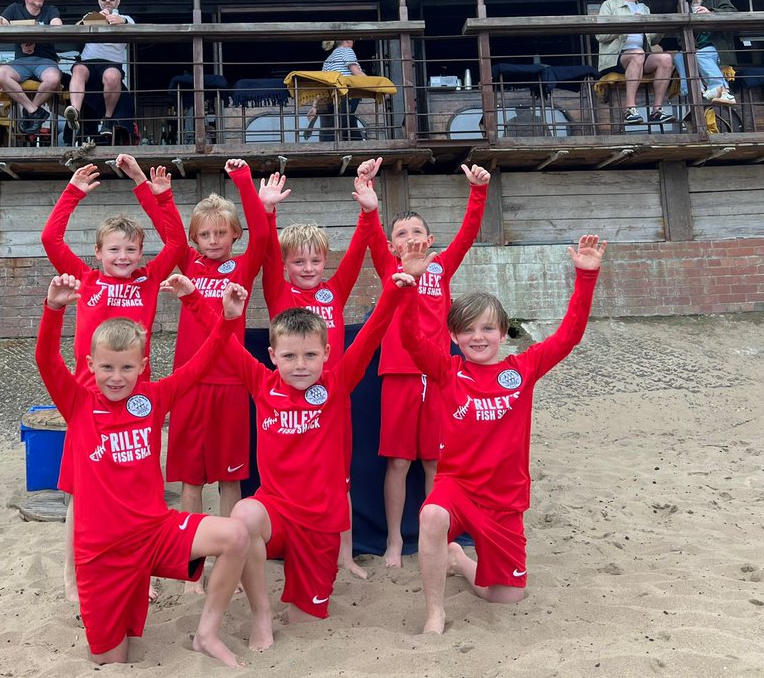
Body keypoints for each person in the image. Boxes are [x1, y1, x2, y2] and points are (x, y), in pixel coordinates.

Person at [182, 261, 416, 650]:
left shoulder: (337, 384)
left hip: (321, 526)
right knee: (244, 514)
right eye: (290, 357)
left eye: (310, 355)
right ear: (273, 355)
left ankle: (297, 603)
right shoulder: (261, 383)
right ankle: (260, 615)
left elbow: (372, 334)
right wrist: (194, 298)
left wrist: (392, 292)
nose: (300, 365)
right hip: (277, 514)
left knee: (305, 620)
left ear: (326, 353)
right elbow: (221, 340)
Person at [35, 272, 249, 667]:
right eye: (107, 368)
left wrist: (229, 318)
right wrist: (53, 310)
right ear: (90, 364)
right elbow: (46, 360)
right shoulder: (78, 403)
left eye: (127, 368)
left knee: (236, 533)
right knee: (111, 659)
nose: (117, 378)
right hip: (102, 555)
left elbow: (204, 363)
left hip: (154, 533)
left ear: (143, 365)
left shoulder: (153, 398)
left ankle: (206, 634)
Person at [397, 234, 605, 634]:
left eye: (487, 328)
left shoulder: (523, 369)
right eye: (468, 330)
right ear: (455, 337)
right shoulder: (447, 371)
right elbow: (411, 339)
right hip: (457, 486)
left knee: (507, 596)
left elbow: (569, 336)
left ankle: (458, 561)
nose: (478, 337)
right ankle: (435, 613)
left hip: (504, 498)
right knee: (432, 514)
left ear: (503, 331)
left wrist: (586, 276)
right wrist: (410, 285)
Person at [40, 155, 188, 603]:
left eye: (131, 250)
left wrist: (147, 185)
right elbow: (50, 237)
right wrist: (72, 193)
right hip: (87, 401)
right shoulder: (85, 279)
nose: (123, 257)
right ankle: (72, 577)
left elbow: (178, 243)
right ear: (99, 253)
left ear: (140, 254)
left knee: (141, 489)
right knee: (80, 493)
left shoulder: (148, 281)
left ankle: (144, 566)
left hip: (138, 398)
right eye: (114, 250)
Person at [137, 159, 268, 592]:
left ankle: (226, 558)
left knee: (230, 477)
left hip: (233, 383)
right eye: (205, 234)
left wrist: (245, 183)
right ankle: (192, 563)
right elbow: (167, 232)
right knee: (191, 479)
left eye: (221, 233)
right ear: (196, 239)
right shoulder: (188, 264)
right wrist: (157, 192)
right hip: (190, 382)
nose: (213, 241)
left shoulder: (243, 267)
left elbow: (265, 235)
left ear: (235, 235)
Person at [256, 158, 388, 578]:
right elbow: (264, 252)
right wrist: (268, 211)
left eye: (315, 261)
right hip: (286, 405)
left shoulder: (334, 292)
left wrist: (369, 210)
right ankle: (288, 544)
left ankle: (345, 554)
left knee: (340, 478)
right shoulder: (278, 291)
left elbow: (357, 252)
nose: (308, 268)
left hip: (335, 399)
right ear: (288, 265)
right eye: (299, 262)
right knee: (291, 484)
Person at [365, 160, 491, 569]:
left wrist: (477, 192)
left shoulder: (440, 267)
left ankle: (439, 538)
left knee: (435, 462)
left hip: (438, 375)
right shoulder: (389, 265)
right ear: (393, 244)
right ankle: (395, 541)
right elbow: (369, 237)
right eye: (401, 234)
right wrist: (367, 198)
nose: (410, 238)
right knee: (399, 462)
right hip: (399, 373)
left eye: (417, 232)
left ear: (430, 239)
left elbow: (469, 235)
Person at [597, 0, 676, 125]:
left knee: (665, 58)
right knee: (638, 53)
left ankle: (657, 111)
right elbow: (600, 36)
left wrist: (661, 29)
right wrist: (629, 24)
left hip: (640, 56)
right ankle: (630, 110)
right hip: (615, 57)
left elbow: (651, 40)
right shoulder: (610, 5)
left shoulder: (644, 8)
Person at [0, 0, 64, 136]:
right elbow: (0, 23)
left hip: (46, 61)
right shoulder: (14, 8)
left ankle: (30, 110)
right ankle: (34, 110)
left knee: (53, 78)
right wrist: (21, 40)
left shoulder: (50, 10)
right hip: (21, 62)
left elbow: (57, 26)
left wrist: (35, 38)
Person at [66, 0, 135, 143]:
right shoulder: (91, 16)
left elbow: (133, 27)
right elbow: (75, 30)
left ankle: (108, 119)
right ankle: (74, 112)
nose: (107, 0)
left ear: (118, 1)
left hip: (111, 63)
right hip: (88, 62)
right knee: (78, 70)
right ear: (99, 1)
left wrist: (120, 22)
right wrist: (89, 21)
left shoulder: (125, 18)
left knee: (112, 76)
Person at [680, 0, 738, 104]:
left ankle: (722, 90)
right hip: (698, 50)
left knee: (699, 55)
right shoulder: (684, 7)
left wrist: (711, 12)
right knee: (679, 57)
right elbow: (680, 36)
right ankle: (696, 91)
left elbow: (733, 13)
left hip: (717, 49)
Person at [313, 38, 365, 141]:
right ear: (348, 41)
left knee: (345, 120)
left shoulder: (329, 59)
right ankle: (354, 144)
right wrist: (377, 87)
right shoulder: (347, 51)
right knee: (344, 120)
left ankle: (357, 142)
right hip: (347, 93)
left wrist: (314, 105)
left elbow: (322, 84)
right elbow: (357, 73)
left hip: (332, 96)